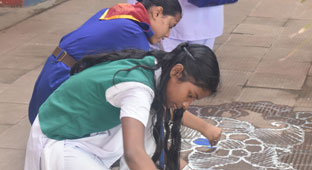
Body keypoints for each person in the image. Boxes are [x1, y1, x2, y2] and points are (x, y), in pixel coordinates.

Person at [24, 43, 222, 170]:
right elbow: (134, 153)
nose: (186, 105)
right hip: (58, 138)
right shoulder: (138, 90)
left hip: (84, 135)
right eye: (190, 96)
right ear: (177, 72)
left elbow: (152, 146)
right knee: (138, 150)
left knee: (149, 135)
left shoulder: (156, 67)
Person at [28, 0, 182, 124]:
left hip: (50, 76)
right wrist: (204, 127)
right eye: (170, 25)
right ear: (157, 12)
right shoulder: (133, 33)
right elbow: (150, 87)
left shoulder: (117, 12)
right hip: (58, 87)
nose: (167, 34)